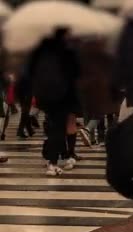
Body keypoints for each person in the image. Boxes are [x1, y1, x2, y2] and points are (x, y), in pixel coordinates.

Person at [21, 28, 80, 176]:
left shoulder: (40, 51)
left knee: (56, 126)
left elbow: (30, 72)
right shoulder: (69, 50)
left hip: (46, 95)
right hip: (64, 94)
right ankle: (54, 162)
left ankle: (61, 157)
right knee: (61, 127)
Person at [77, 38, 119, 147]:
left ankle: (92, 137)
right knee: (106, 113)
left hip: (86, 87)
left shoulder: (84, 54)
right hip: (103, 87)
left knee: (90, 112)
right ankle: (100, 135)